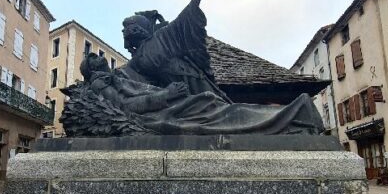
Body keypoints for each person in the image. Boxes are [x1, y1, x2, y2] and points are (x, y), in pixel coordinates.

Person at [78, 53, 323, 136]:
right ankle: (293, 115)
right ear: (91, 71)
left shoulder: (114, 78)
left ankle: (292, 116)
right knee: (221, 111)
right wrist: (167, 96)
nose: (96, 56)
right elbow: (128, 107)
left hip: (168, 107)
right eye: (91, 58)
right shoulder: (101, 85)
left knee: (219, 107)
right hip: (163, 113)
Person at [120, 0, 230, 101]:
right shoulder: (136, 59)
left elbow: (182, 21)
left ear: (138, 29)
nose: (124, 31)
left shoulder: (161, 36)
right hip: (173, 92)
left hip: (189, 79)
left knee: (213, 103)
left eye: (128, 27)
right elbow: (126, 76)